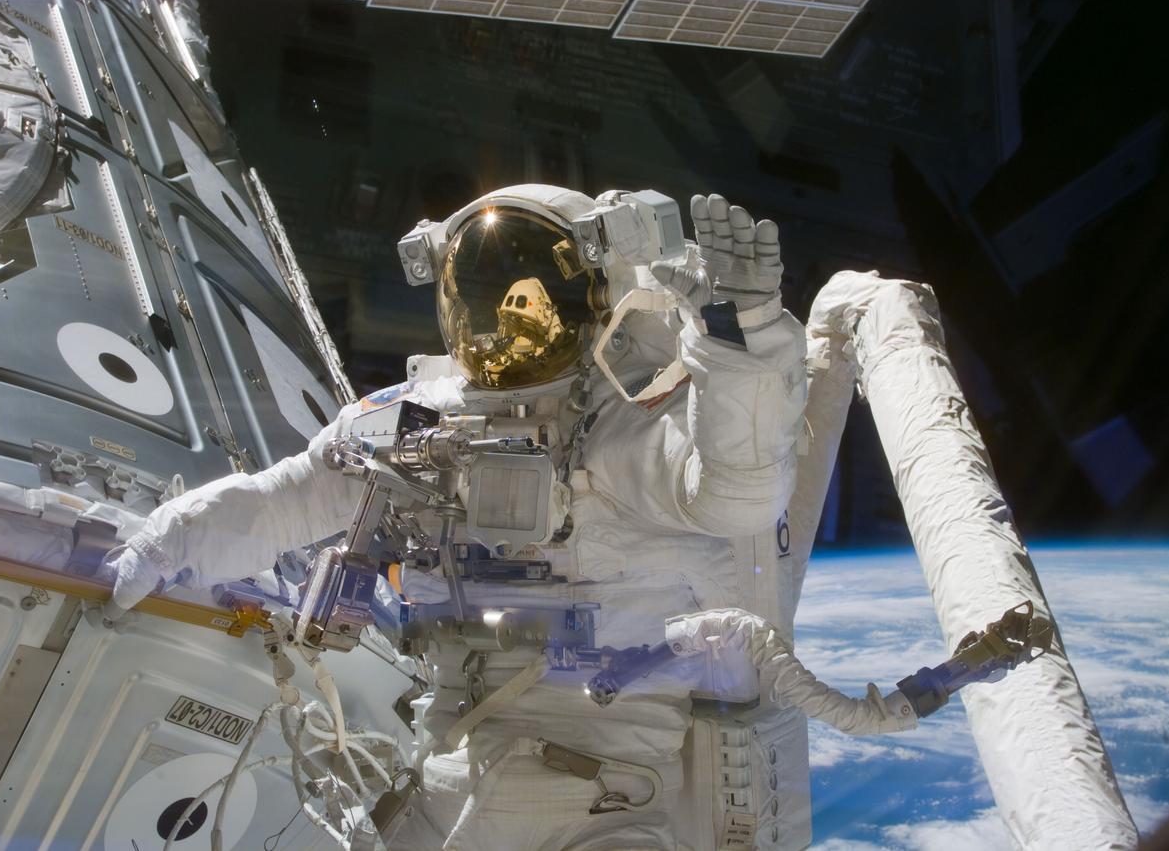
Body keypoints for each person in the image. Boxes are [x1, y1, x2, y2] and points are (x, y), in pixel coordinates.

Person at [104, 184, 809, 849]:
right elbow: (283, 500)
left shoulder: (625, 424)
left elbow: (737, 494)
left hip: (603, 794)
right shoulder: (417, 424)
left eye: (531, 300)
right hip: (449, 783)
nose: (504, 323)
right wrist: (166, 543)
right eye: (486, 299)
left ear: (595, 303)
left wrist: (739, 338)